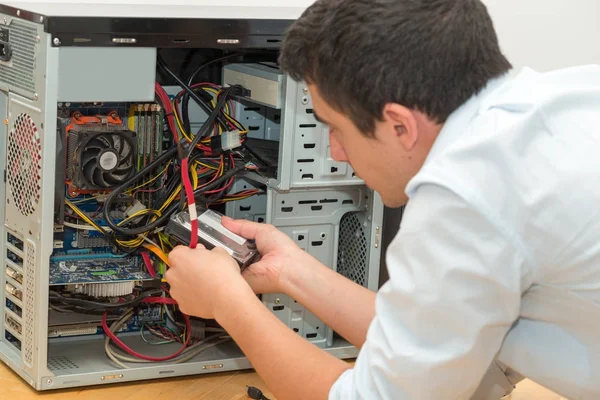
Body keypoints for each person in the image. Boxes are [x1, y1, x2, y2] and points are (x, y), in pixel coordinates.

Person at [165, 0, 600, 398]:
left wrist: (227, 303)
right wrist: (291, 272)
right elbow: (448, 351)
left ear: (399, 124)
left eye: (334, 127)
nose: (335, 151)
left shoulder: (468, 195)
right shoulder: (565, 99)